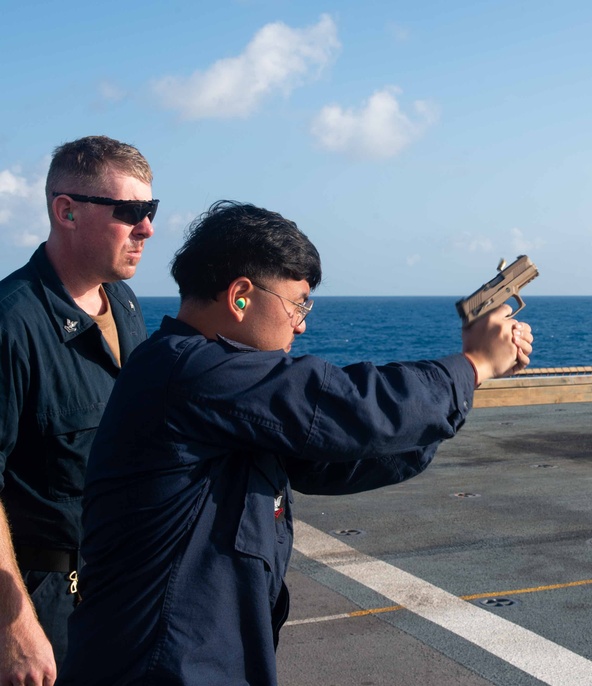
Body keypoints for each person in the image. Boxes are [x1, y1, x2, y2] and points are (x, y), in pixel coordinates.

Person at [58, 200, 532, 685]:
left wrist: (452, 397)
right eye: (297, 302)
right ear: (241, 295)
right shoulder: (190, 372)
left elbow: (334, 456)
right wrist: (472, 365)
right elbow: (348, 408)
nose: (301, 324)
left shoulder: (208, 387)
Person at [0, 136, 155, 685]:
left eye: (150, 210)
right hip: (42, 600)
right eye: (130, 212)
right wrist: (14, 630)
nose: (147, 229)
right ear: (65, 210)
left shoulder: (125, 304)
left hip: (116, 584)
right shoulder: (12, 324)